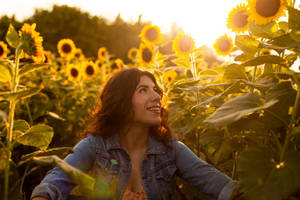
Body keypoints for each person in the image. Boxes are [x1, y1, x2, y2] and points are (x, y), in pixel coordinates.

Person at [31, 68, 243, 200]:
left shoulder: (170, 149)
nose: (157, 97)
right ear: (121, 101)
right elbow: (55, 182)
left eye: (156, 90)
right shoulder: (95, 146)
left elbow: (219, 185)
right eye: (143, 90)